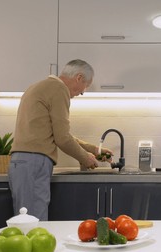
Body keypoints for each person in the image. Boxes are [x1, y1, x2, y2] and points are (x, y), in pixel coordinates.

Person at [8, 59, 113, 221]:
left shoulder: (39, 86)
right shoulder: (59, 89)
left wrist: (94, 150)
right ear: (78, 77)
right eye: (86, 85)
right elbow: (62, 138)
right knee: (34, 222)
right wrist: (86, 158)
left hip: (23, 161)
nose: (83, 92)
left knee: (25, 220)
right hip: (35, 162)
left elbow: (58, 133)